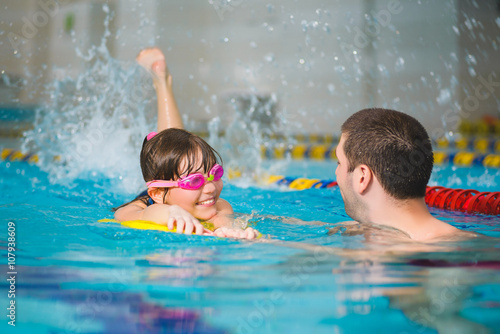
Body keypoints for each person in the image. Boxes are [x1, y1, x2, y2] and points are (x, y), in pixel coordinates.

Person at [114, 47, 258, 239]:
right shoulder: (144, 203)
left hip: (173, 189)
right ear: (156, 192)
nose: (210, 188)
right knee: (172, 149)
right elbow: (132, 215)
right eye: (195, 181)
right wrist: (170, 212)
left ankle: (161, 81)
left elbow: (223, 219)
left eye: (214, 173)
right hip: (162, 197)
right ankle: (161, 82)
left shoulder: (219, 205)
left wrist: (231, 230)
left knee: (176, 146)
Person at [334, 108, 477, 242]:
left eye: (339, 162)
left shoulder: (391, 257)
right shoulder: (463, 242)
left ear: (362, 178)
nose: (336, 172)